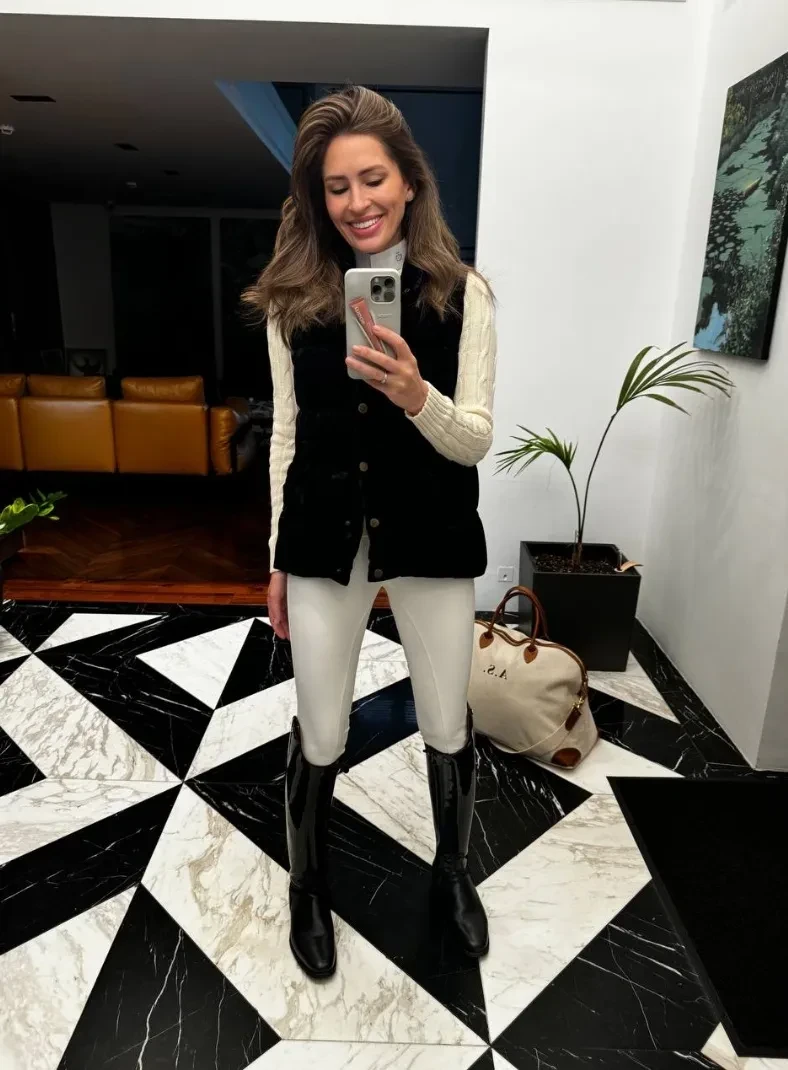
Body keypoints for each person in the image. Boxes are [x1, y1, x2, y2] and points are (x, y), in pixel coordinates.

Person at [246, 86, 497, 980]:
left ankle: (454, 871)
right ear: (317, 199)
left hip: (433, 532)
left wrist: (416, 396)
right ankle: (307, 883)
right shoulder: (291, 303)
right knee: (321, 730)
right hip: (322, 536)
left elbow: (476, 438)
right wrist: (277, 559)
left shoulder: (464, 295)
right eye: (337, 186)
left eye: (373, 178)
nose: (357, 201)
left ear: (409, 181)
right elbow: (285, 435)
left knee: (445, 720)